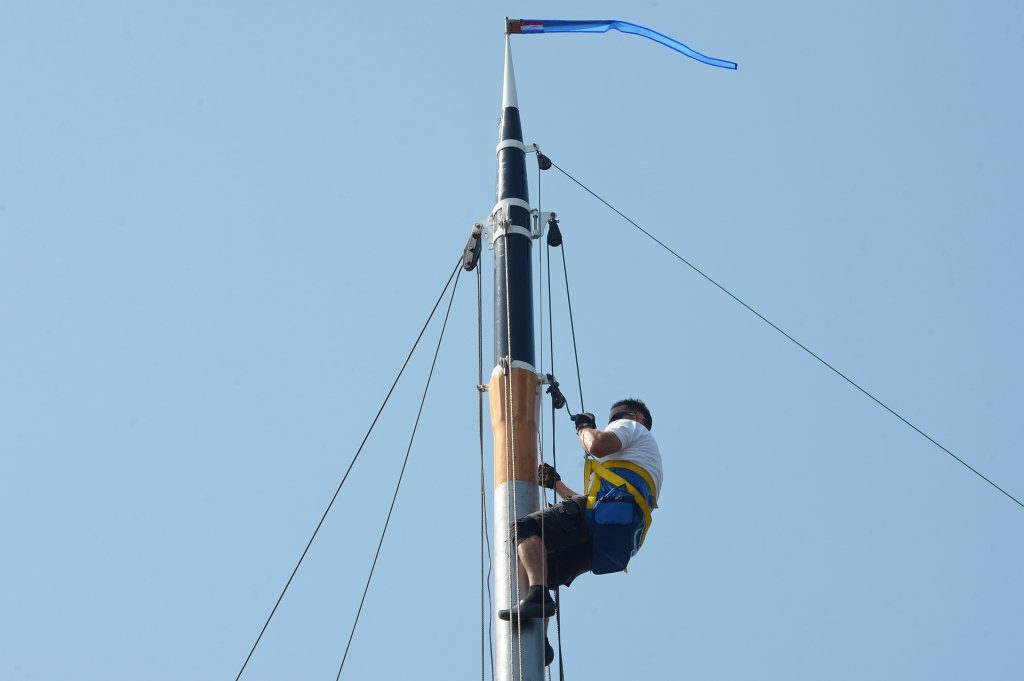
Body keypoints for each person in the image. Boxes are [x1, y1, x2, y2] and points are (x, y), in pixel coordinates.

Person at [498, 398, 663, 635]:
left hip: (602, 517)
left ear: (638, 417)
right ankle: (539, 639)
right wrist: (556, 484)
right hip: (615, 537)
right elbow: (592, 505)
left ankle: (537, 596)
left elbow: (595, 445)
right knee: (544, 567)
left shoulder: (632, 427)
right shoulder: (642, 460)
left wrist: (584, 427)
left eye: (617, 417)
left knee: (524, 529)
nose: (613, 423)